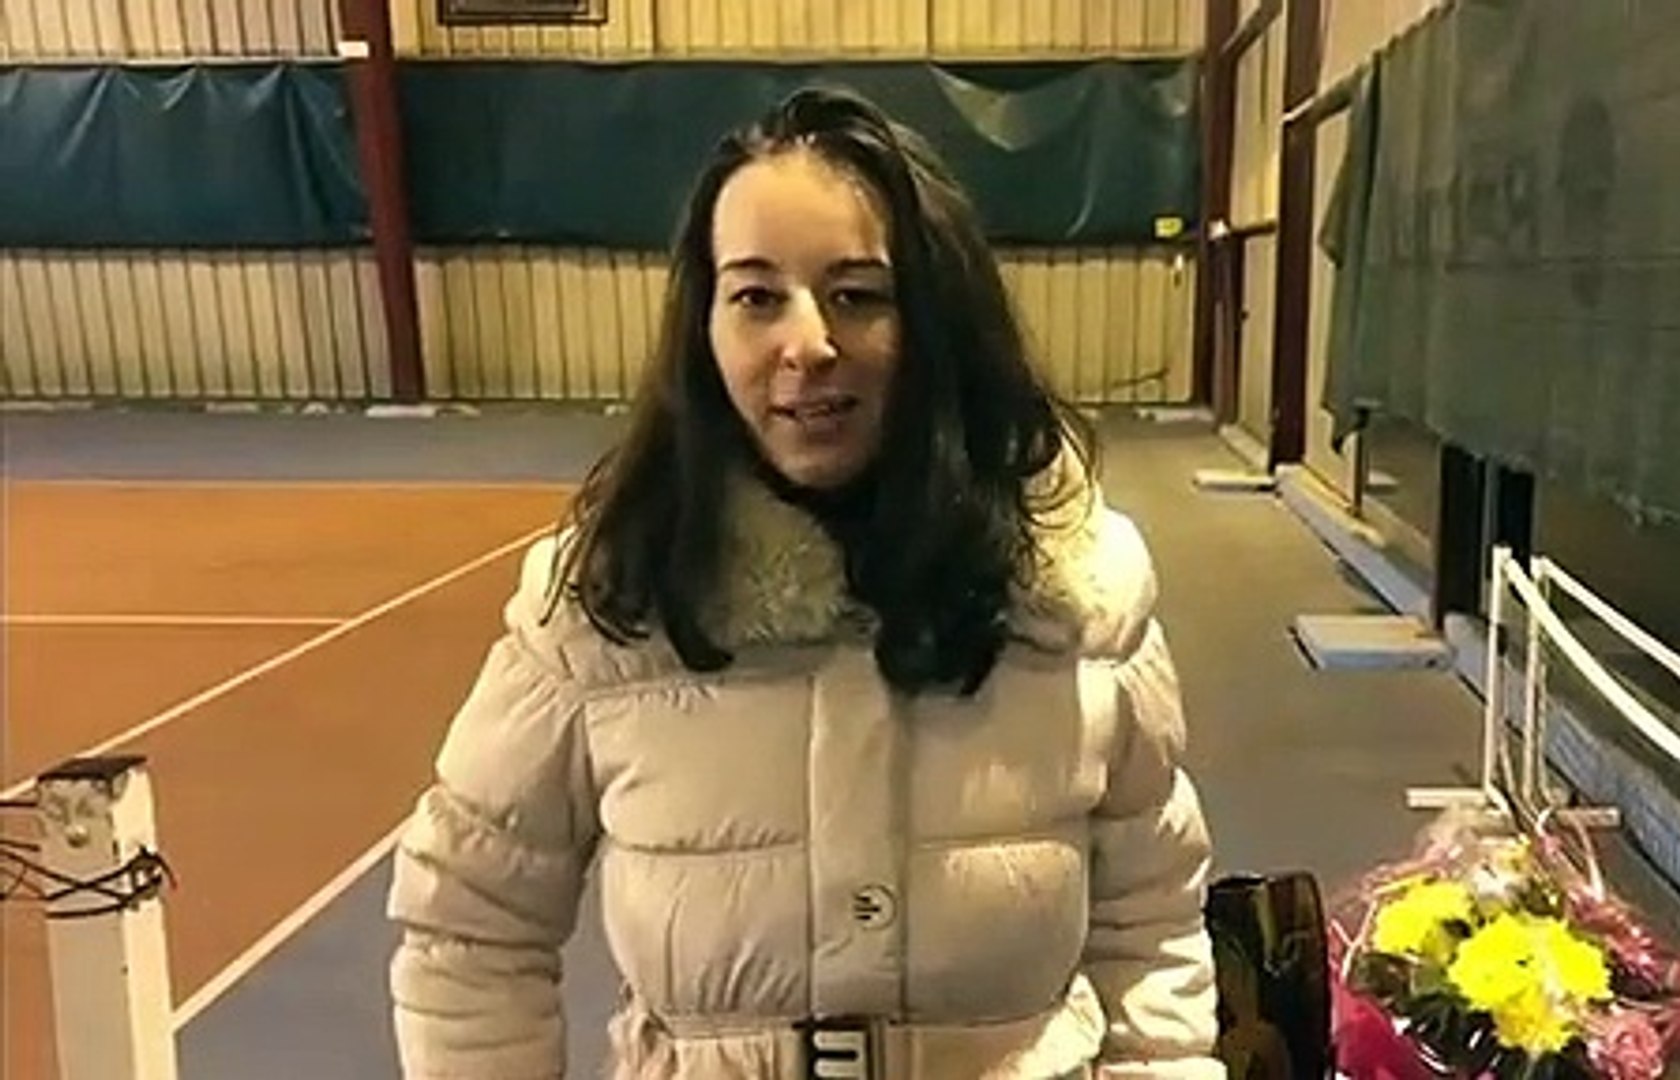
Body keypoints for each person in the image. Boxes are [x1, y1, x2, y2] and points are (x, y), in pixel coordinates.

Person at [386, 85, 1223, 1079]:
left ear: (938, 321)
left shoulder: (1080, 599)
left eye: (858, 295)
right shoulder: (604, 608)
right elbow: (468, 928)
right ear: (705, 329)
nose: (808, 344)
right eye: (756, 296)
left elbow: (1151, 921)